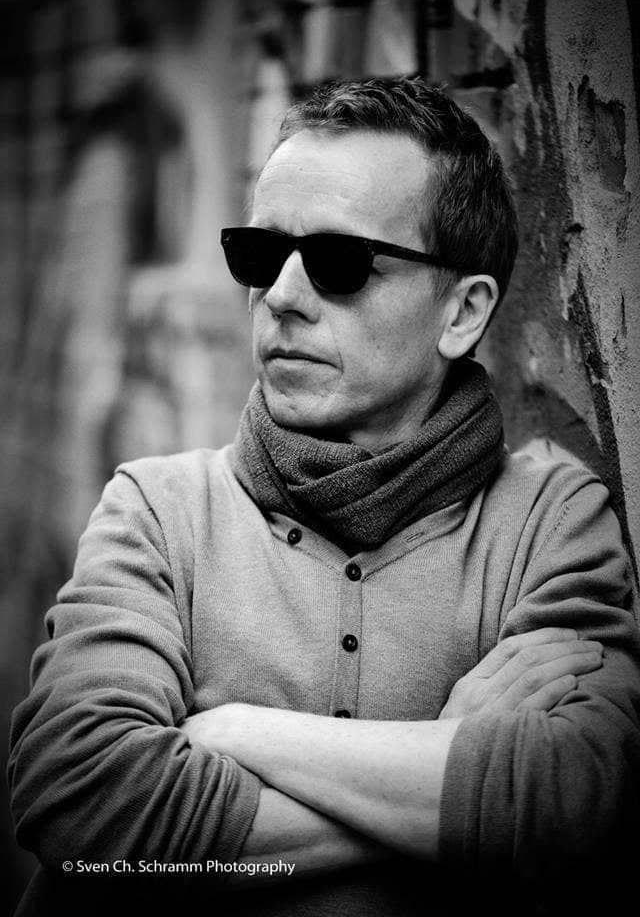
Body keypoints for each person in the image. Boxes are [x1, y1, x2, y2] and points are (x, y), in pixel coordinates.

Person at [9, 77, 640, 917]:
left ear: (462, 312)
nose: (280, 296)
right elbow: (81, 803)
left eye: (339, 263)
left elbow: (583, 806)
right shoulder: (157, 512)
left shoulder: (550, 522)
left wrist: (237, 733)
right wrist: (446, 760)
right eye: (260, 254)